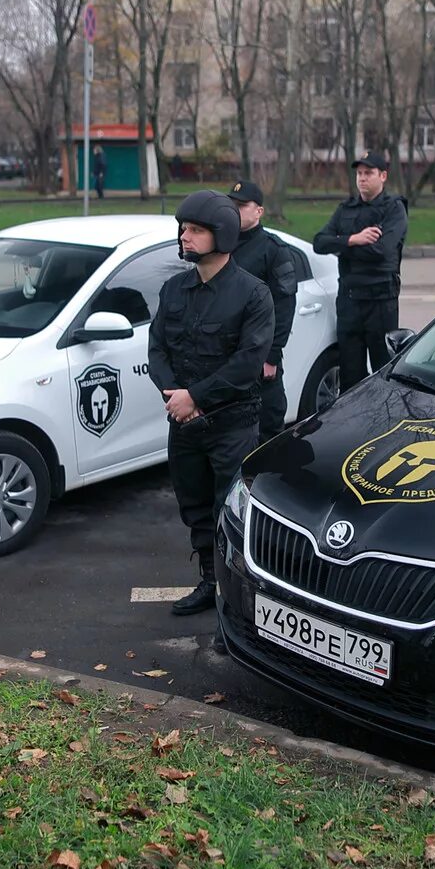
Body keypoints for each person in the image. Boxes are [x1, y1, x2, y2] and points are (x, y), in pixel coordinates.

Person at [148, 190, 273, 616]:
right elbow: (157, 350)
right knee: (195, 509)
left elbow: (248, 362)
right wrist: (175, 398)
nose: (185, 236)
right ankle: (209, 582)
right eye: (183, 229)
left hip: (231, 426)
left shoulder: (253, 294)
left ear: (220, 234)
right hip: (183, 424)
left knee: (229, 515)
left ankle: (233, 607)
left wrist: (196, 397)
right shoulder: (173, 289)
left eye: (195, 230)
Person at [312, 150, 407, 391]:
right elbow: (320, 242)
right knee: (350, 374)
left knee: (383, 372)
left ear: (383, 176)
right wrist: (354, 239)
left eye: (369, 173)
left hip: (380, 302)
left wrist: (341, 246)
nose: (362, 178)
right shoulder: (346, 209)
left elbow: (383, 252)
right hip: (350, 302)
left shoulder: (394, 209)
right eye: (359, 174)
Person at [227, 179, 297, 440]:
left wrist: (271, 355)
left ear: (259, 211)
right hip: (227, 350)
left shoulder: (273, 250)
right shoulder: (220, 243)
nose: (235, 210)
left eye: (242, 205)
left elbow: (284, 304)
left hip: (260, 354)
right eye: (231, 204)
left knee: (268, 425)